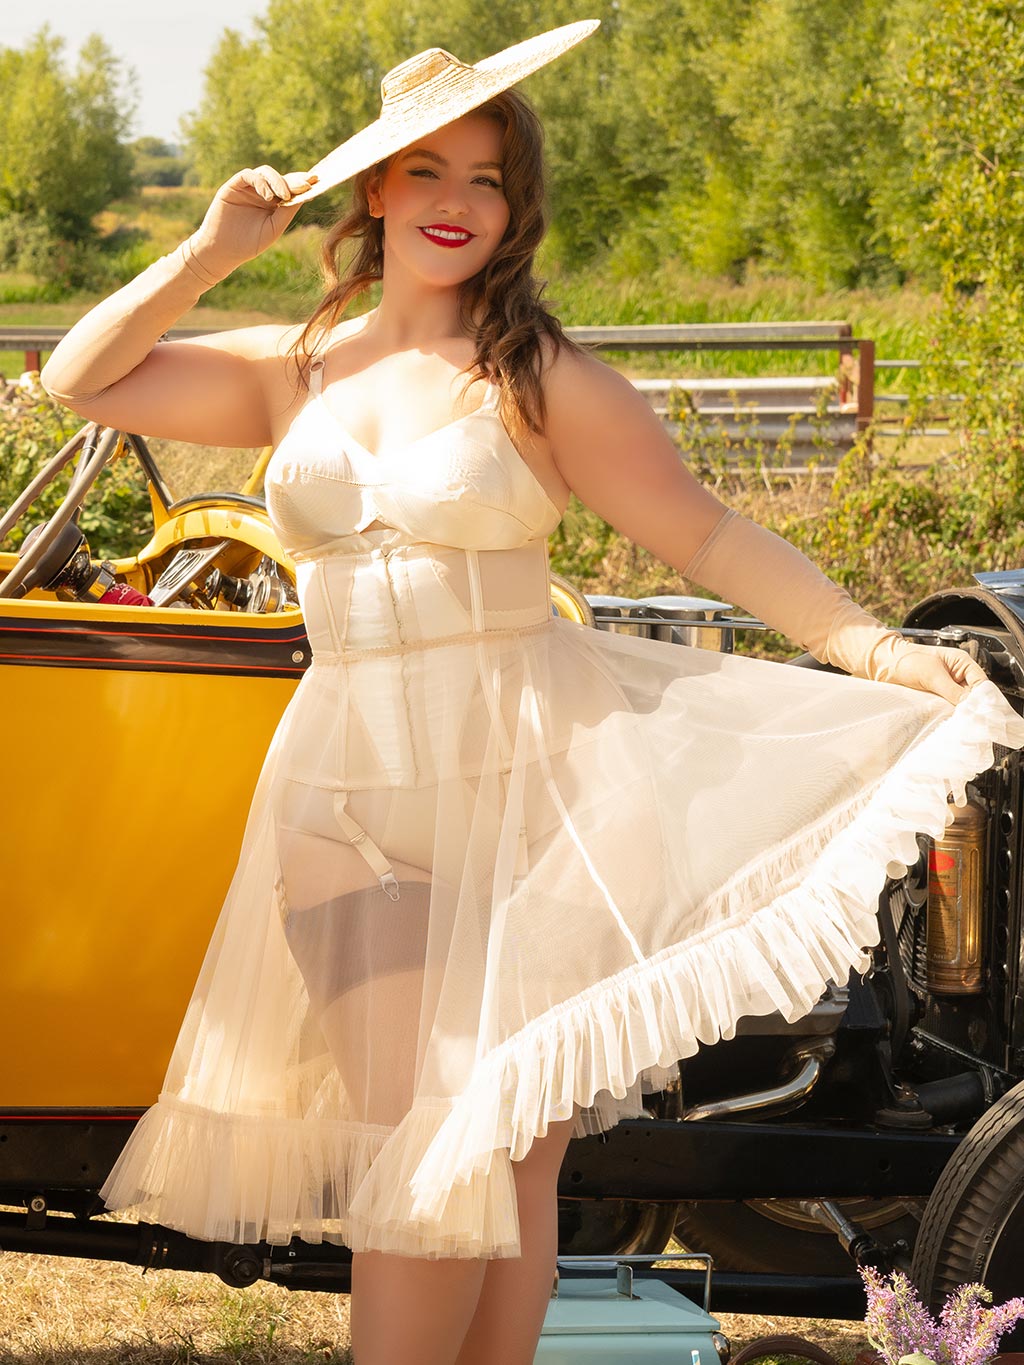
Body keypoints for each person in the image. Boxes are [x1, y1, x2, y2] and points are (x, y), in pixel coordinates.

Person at [39, 20, 1024, 1365]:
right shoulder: (296, 367)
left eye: (488, 179)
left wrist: (878, 652)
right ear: (373, 190)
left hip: (529, 795)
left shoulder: (540, 380)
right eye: (427, 171)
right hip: (342, 799)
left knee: (500, 1159)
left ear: (519, 204)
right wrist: (214, 252)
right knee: (422, 1143)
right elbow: (76, 377)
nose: (456, 203)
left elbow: (715, 540)